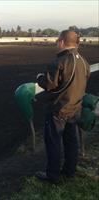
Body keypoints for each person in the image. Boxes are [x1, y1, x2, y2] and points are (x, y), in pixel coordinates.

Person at [35, 30, 90, 182]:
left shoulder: (59, 62)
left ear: (61, 42)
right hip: (74, 108)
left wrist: (40, 78)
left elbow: (49, 84)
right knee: (72, 142)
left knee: (53, 142)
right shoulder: (84, 62)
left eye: (57, 40)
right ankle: (69, 171)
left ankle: (53, 175)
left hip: (58, 109)